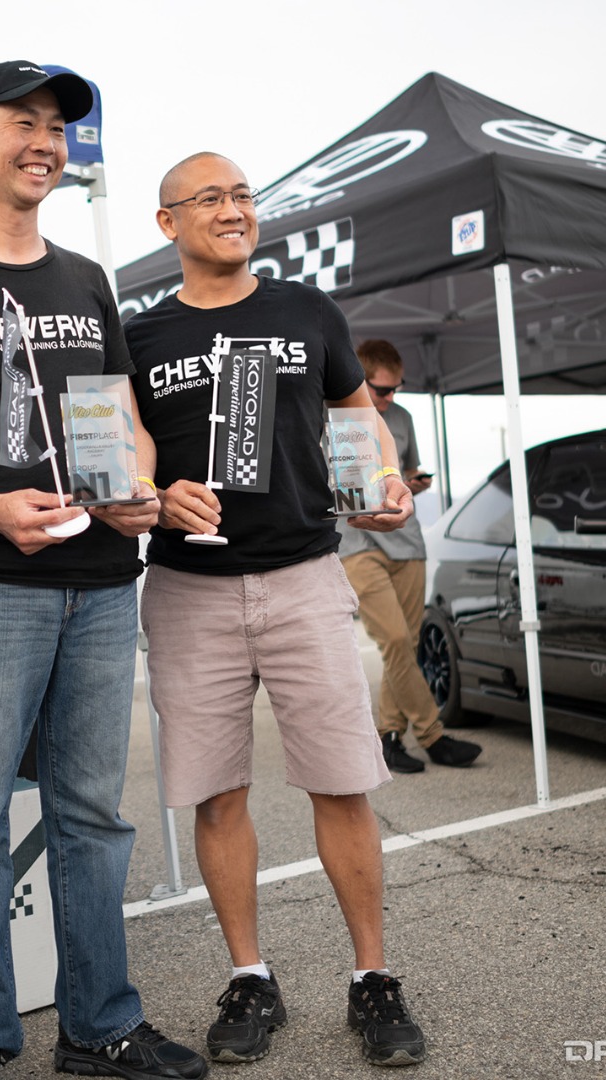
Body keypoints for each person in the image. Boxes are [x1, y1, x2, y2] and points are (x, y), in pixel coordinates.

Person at [0, 61, 203, 1080]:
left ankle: (100, 1027)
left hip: (101, 581)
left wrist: (140, 489)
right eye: (24, 121)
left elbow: (123, 420)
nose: (46, 142)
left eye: (57, 126)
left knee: (93, 816)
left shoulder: (86, 278)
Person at [124, 151, 427, 1068]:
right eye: (211, 197)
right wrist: (154, 495)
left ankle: (372, 977)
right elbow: (130, 452)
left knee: (342, 781)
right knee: (218, 797)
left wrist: (379, 480)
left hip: (304, 573)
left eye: (244, 195)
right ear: (168, 222)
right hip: (189, 589)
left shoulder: (306, 310)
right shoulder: (140, 335)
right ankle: (250, 976)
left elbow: (356, 409)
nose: (235, 209)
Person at [339, 340, 482, 775]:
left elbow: (408, 469)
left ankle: (388, 737)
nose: (389, 397)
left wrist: (414, 481)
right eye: (381, 390)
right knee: (396, 641)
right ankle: (433, 734)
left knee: (407, 645)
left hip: (406, 541)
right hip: (357, 544)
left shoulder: (402, 418)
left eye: (396, 389)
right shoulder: (333, 415)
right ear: (360, 379)